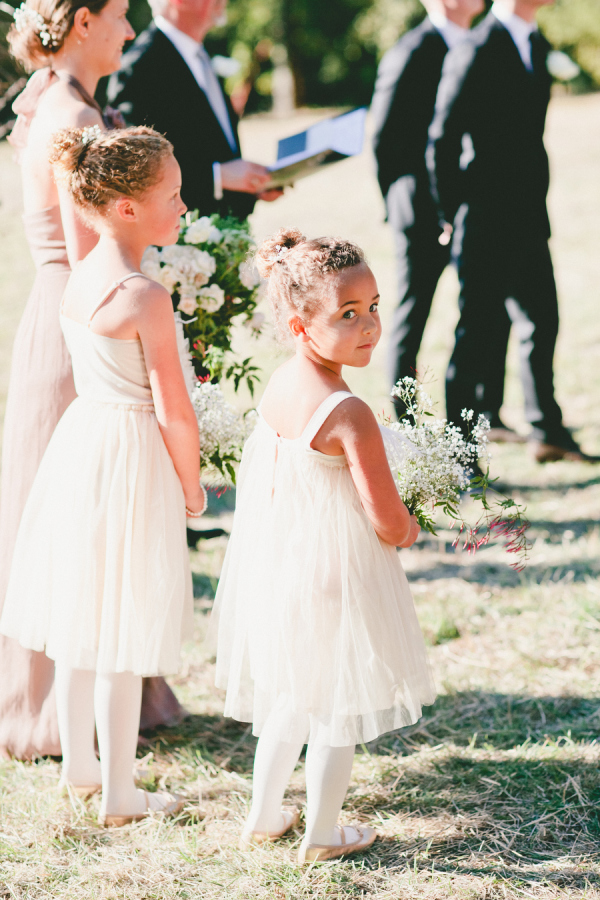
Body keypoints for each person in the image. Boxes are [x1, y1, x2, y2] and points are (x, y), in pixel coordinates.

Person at [210, 229, 436, 863]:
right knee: (338, 702)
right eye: (348, 314)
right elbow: (388, 522)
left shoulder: (283, 382)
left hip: (283, 564)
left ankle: (262, 815)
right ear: (300, 324)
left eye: (373, 307)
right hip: (336, 571)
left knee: (291, 695)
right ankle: (322, 832)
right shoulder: (350, 410)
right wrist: (410, 525)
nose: (370, 326)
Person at [0, 125, 203, 823]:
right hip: (131, 449)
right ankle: (120, 794)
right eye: (171, 195)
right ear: (125, 208)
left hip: (82, 442)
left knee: (84, 612)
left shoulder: (80, 275)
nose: (182, 205)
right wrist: (192, 482)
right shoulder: (145, 296)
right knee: (125, 624)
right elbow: (174, 409)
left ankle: (82, 768)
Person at [427, 0, 596, 461]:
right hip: (484, 218)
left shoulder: (535, 42)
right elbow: (442, 136)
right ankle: (460, 456)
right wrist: (451, 211)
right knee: (476, 334)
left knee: (543, 321)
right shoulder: (475, 47)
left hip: (529, 215)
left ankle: (548, 432)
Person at [371, 0, 504, 427]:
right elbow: (382, 138)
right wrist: (401, 203)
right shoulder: (411, 51)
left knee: (482, 313)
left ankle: (484, 416)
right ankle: (407, 426)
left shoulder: (482, 44)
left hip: (471, 206)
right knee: (414, 319)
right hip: (420, 210)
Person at [106, 0, 282, 219]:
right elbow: (137, 169)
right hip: (180, 241)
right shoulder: (138, 68)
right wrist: (218, 177)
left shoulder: (200, 55)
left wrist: (251, 184)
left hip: (223, 232)